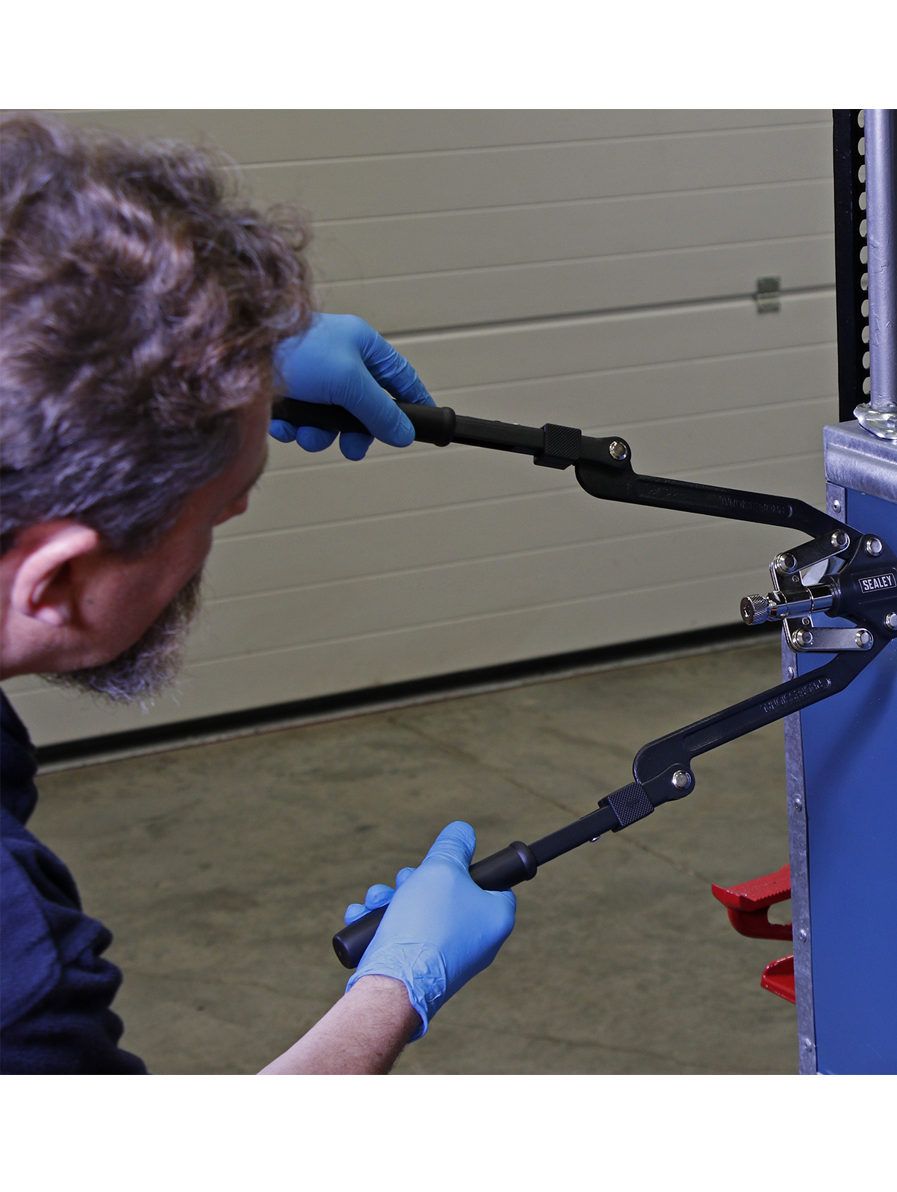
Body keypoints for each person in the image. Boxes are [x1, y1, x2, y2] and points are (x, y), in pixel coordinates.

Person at [0, 113, 516, 1074]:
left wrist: (219, 355)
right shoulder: (16, 969)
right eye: (219, 510)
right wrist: (394, 993)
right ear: (58, 578)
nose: (227, 522)